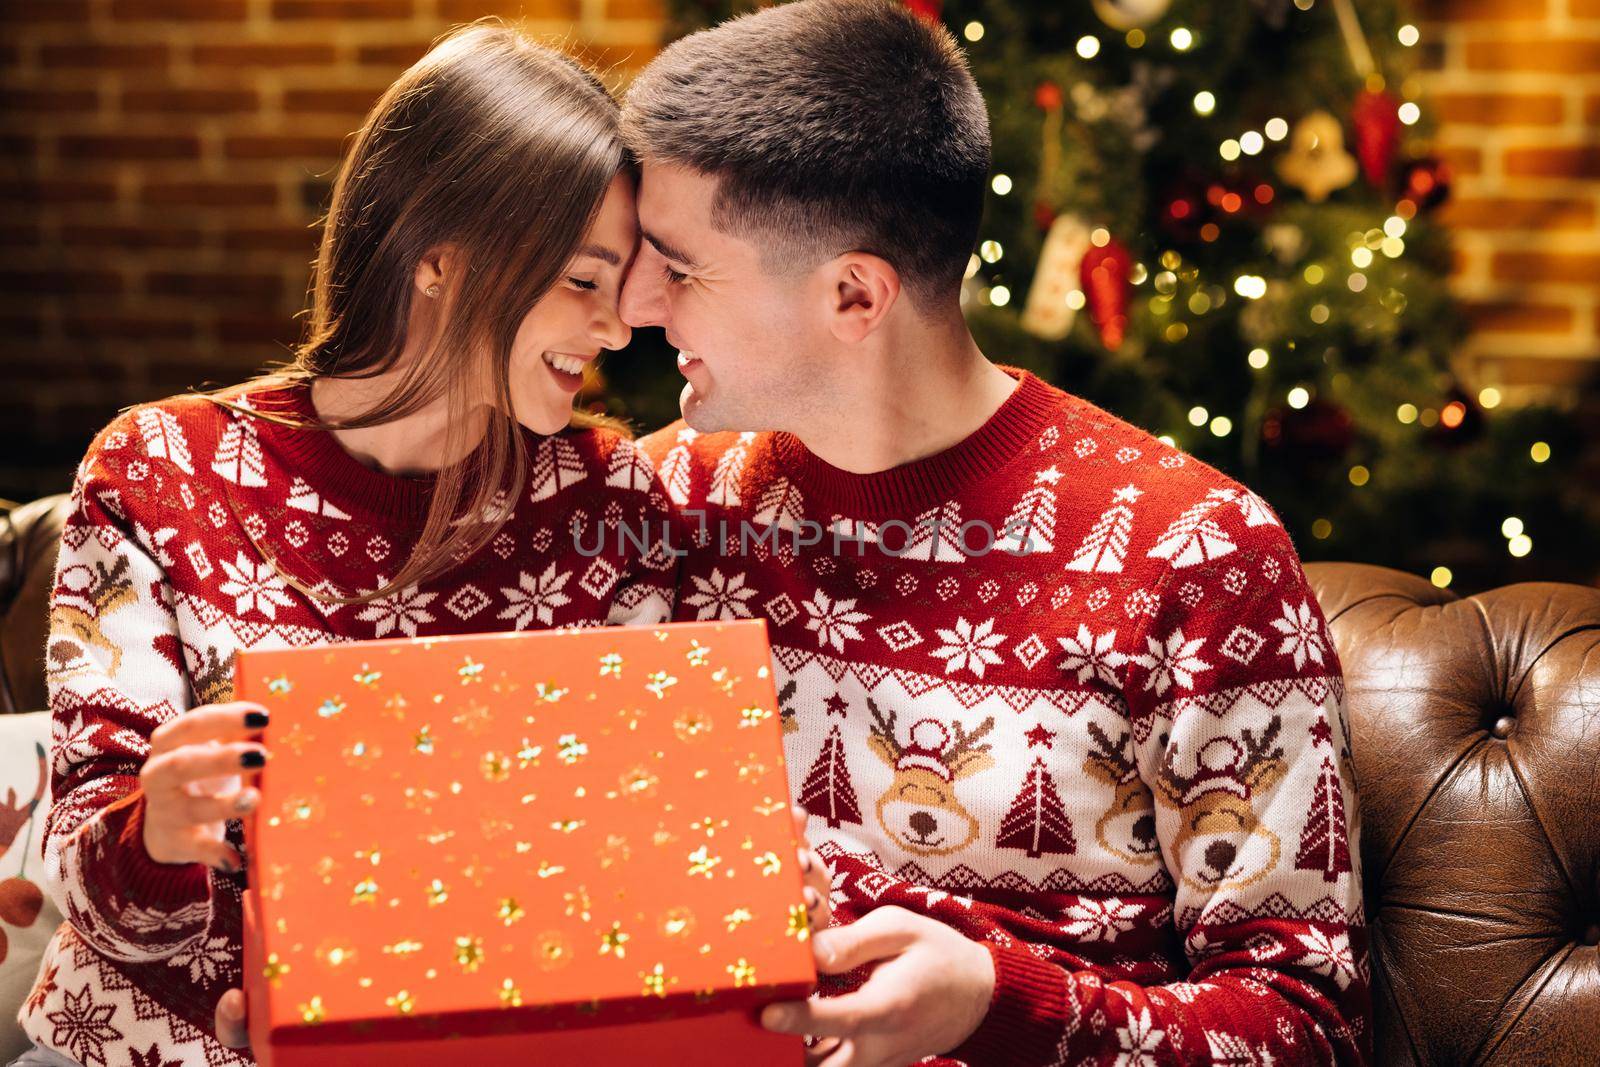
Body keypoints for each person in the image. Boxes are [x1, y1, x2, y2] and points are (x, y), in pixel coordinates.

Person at [621, 1, 1371, 1064]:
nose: (637, 303)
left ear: (851, 295)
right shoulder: (660, 504)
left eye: (680, 267)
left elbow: (1309, 1027)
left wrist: (998, 999)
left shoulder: (1194, 554)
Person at [14, 24, 697, 1066]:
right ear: (440, 261)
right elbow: (93, 882)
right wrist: (157, 831)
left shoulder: (607, 500)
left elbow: (624, 864)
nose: (614, 331)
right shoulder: (160, 470)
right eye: (580, 282)